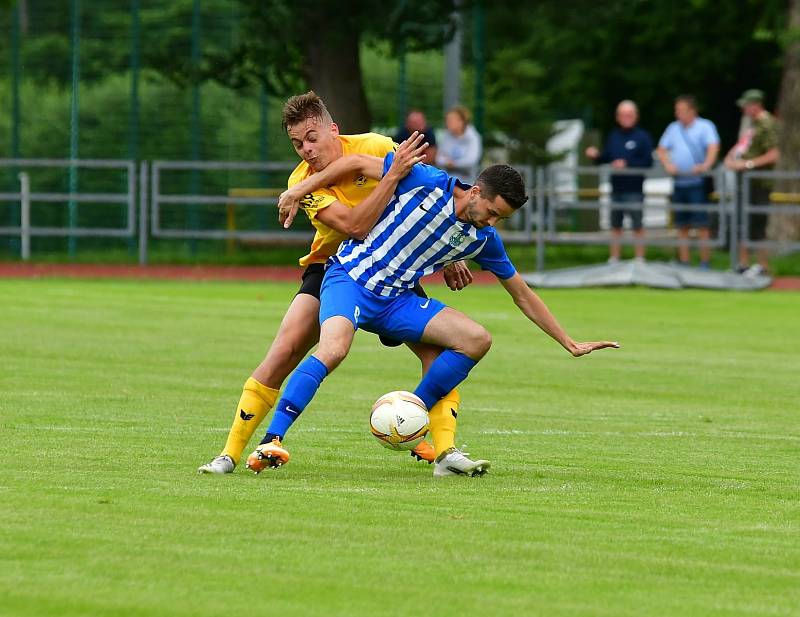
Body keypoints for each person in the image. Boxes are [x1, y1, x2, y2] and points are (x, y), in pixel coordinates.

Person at [246, 153, 619, 478]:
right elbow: (356, 162)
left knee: (476, 339)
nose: (491, 223)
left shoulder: (482, 239)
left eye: (500, 219)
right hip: (351, 279)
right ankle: (271, 440)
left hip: (396, 300)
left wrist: (568, 342)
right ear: (476, 192)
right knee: (333, 349)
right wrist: (298, 189)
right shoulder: (427, 180)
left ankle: (411, 411)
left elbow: (522, 294)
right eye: (491, 212)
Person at [198, 92, 470, 474]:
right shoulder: (301, 183)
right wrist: (387, 177)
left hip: (391, 270)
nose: (306, 150)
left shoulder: (374, 146)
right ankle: (229, 454)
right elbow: (354, 227)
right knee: (285, 352)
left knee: (436, 356)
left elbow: (427, 188)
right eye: (297, 144)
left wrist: (451, 251)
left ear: (334, 130)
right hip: (332, 269)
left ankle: (447, 454)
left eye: (312, 138)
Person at [585, 100, 653, 262]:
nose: (626, 118)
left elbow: (648, 162)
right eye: (623, 114)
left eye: (629, 114)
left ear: (635, 116)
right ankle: (614, 258)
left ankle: (640, 258)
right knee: (615, 225)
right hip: (616, 188)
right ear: (618, 117)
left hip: (635, 189)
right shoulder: (614, 136)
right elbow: (606, 158)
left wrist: (627, 164)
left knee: (637, 224)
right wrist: (596, 156)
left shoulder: (643, 137)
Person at [657, 95, 720, 268]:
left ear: (692, 110)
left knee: (702, 225)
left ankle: (705, 262)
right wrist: (668, 164)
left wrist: (705, 165)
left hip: (698, 183)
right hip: (679, 183)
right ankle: (684, 261)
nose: (678, 114)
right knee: (681, 225)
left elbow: (713, 147)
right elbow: (662, 149)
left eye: (681, 110)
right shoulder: (673, 128)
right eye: (676, 110)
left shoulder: (705, 126)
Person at [723, 89, 780, 276]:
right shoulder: (753, 125)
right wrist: (732, 158)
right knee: (743, 222)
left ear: (755, 104)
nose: (744, 109)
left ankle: (762, 266)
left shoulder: (767, 123)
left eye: (746, 105)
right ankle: (743, 263)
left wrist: (747, 164)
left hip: (758, 182)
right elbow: (743, 147)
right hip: (746, 182)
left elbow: (774, 153)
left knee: (757, 224)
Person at [436, 105, 482, 183]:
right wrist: (447, 162)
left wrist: (452, 163)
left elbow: (471, 161)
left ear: (462, 121)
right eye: (447, 120)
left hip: (468, 181)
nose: (447, 123)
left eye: (451, 120)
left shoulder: (474, 137)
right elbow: (439, 158)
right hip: (447, 180)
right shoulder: (446, 135)